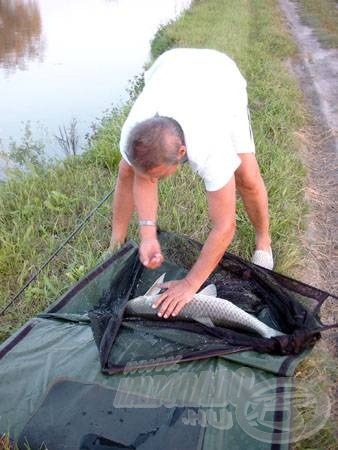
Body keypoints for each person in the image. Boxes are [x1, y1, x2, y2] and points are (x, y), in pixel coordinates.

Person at [109, 48, 273, 319]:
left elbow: (224, 226)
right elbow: (140, 176)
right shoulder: (135, 129)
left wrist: (190, 284)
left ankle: (263, 241)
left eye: (159, 177)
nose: (152, 182)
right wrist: (147, 235)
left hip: (221, 80)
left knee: (247, 176)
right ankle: (116, 242)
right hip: (170, 66)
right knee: (127, 170)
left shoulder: (210, 146)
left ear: (182, 154)